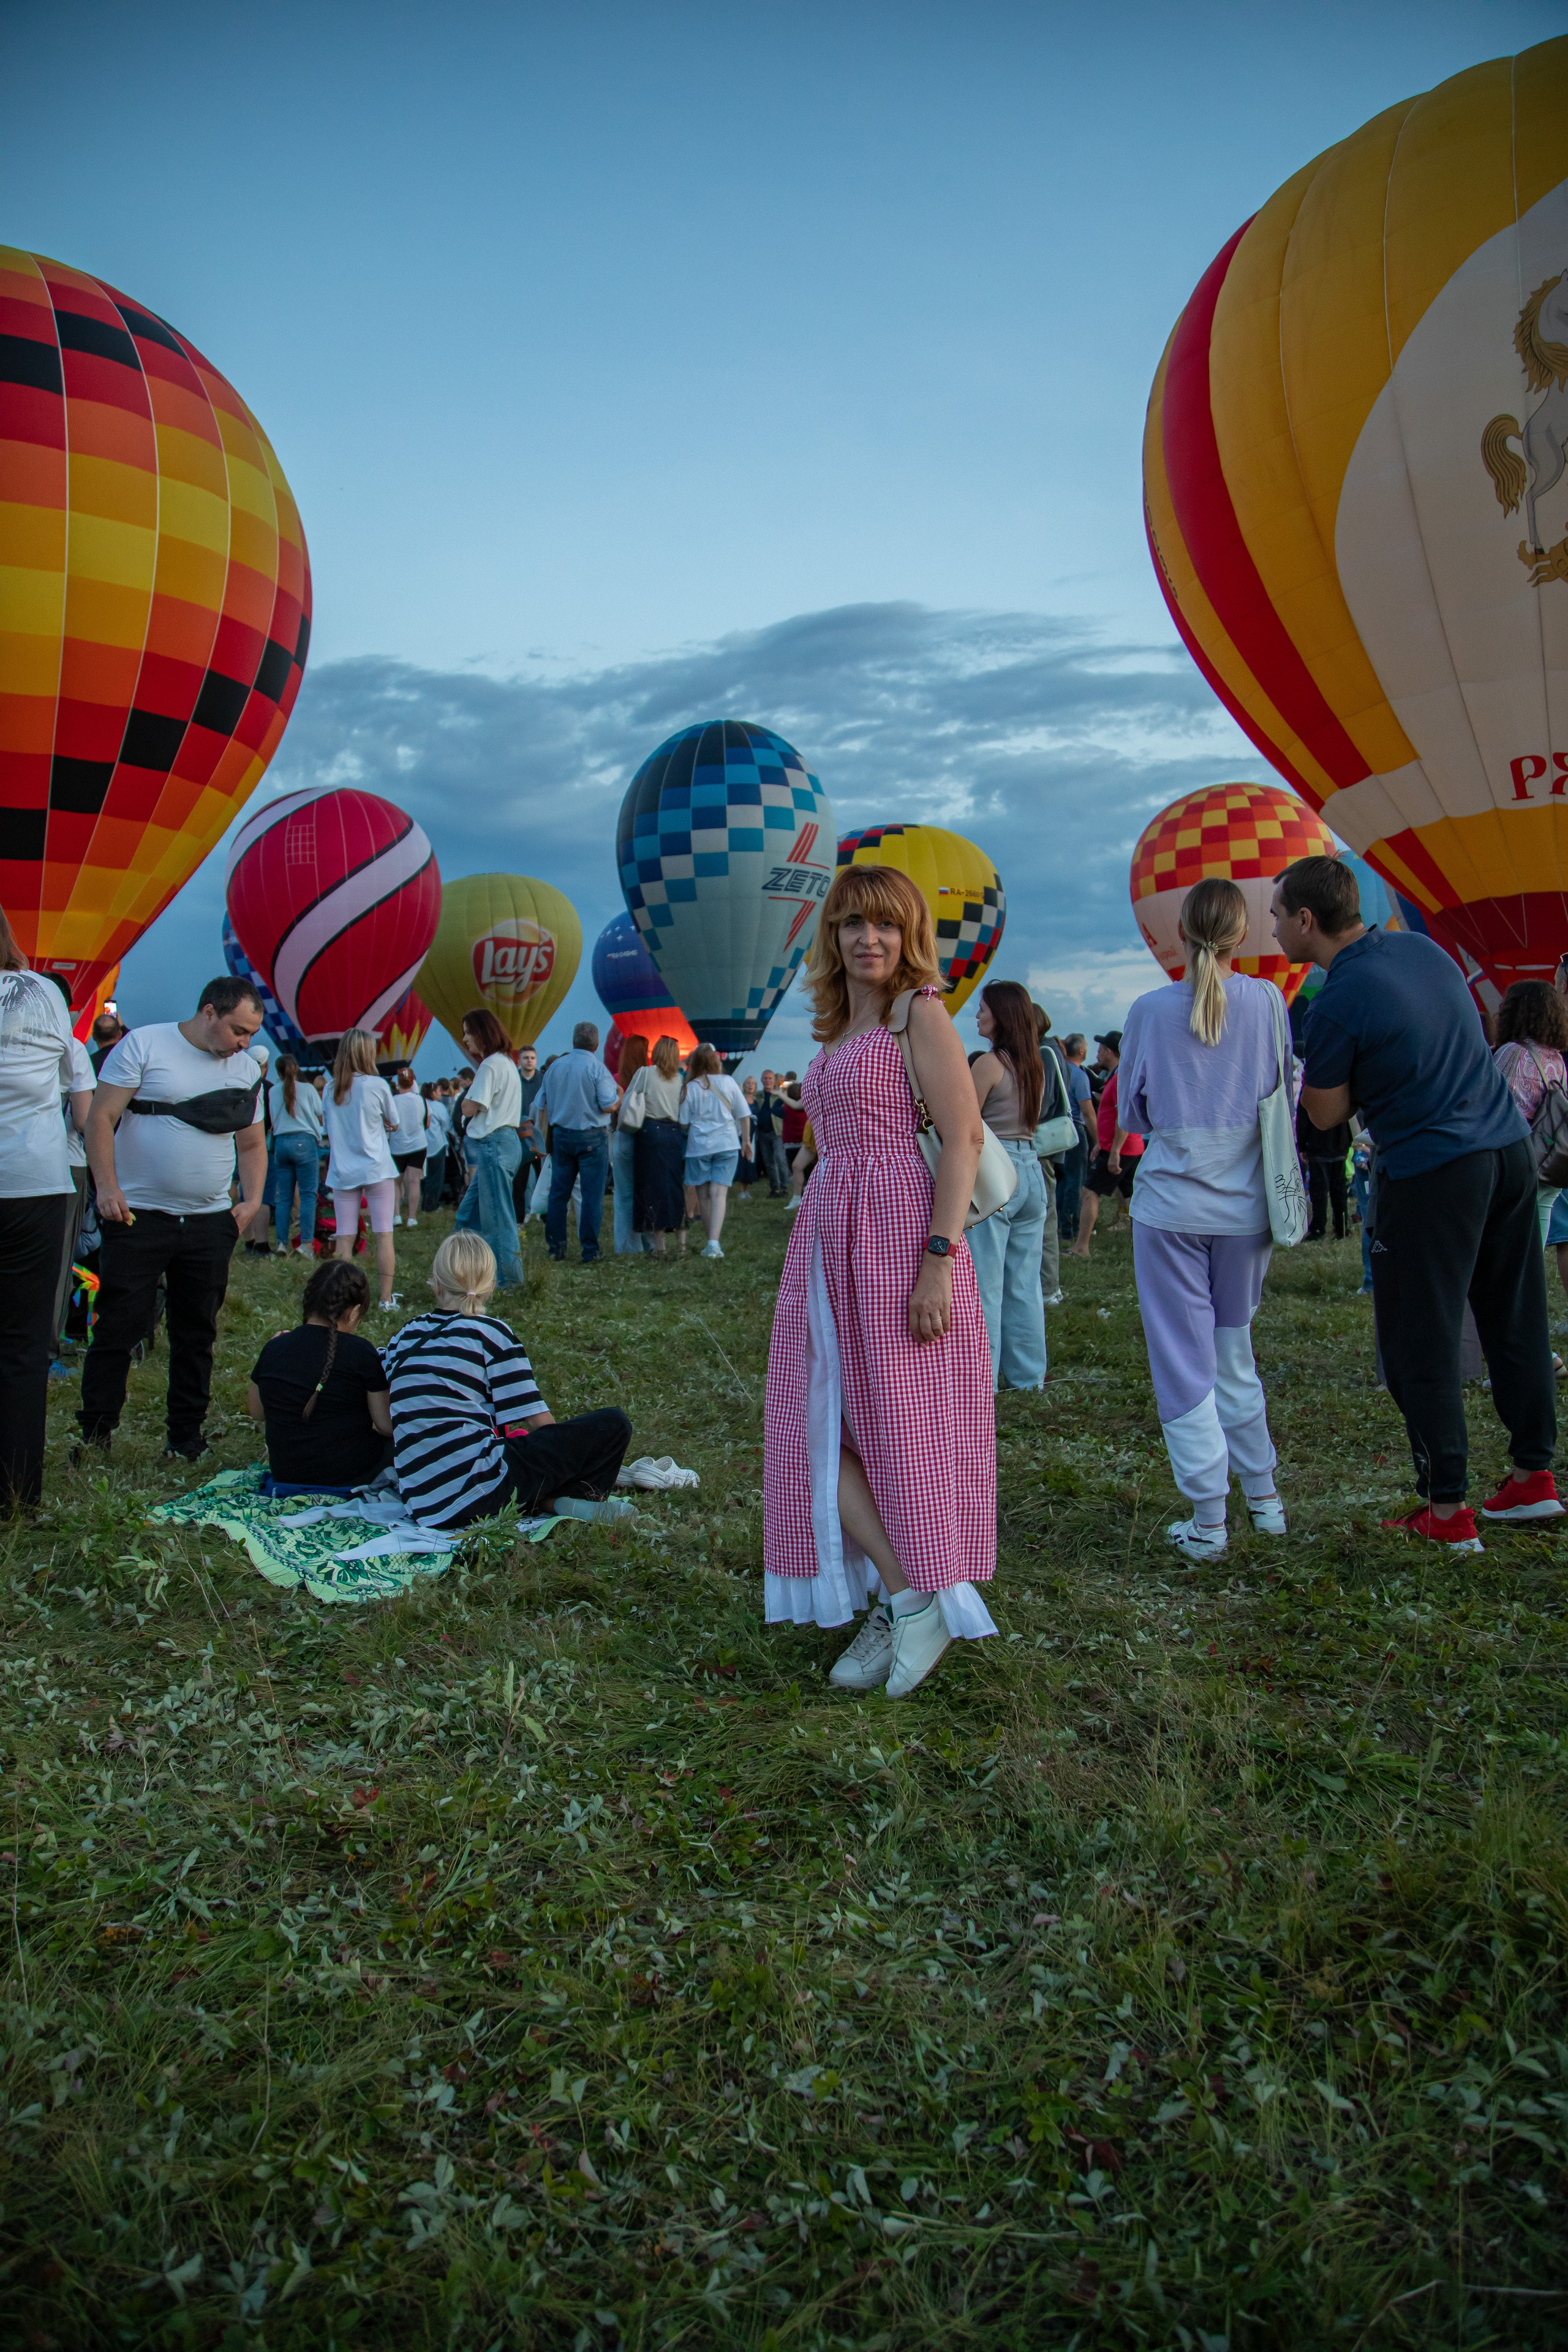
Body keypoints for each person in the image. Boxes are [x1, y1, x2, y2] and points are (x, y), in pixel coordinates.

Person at [1274, 854, 1559, 1543]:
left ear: (1307, 921)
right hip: (1507, 1152)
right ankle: (1532, 1479)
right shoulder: (1422, 950)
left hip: (1432, 1170)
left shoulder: (1337, 997)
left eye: (1279, 916)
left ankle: (1446, 1509)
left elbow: (1323, 1114)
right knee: (1514, 1319)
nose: (1275, 931)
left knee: (1417, 1340)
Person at [763, 864, 995, 1700]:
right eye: (855, 923)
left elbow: (964, 1137)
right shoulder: (839, 1028)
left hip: (900, 1243)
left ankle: (916, 1597)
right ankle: (906, 1596)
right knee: (818, 1430)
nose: (870, 939)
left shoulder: (917, 1012)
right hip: (832, 1246)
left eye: (887, 925)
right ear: (833, 933)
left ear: (910, 937)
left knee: (900, 1432)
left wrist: (937, 1262)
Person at [1118, 878, 1289, 1561]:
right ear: (1242, 935)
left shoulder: (1149, 1010)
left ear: (1180, 932)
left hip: (1170, 1209)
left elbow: (1130, 1113)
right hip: (1247, 1207)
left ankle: (1209, 1518)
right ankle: (1266, 1501)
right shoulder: (1269, 1001)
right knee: (1232, 1354)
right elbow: (1281, 1089)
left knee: (1182, 1364)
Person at [80, 975, 266, 1463]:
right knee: (119, 1326)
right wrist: (108, 1189)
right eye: (238, 1030)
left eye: (251, 1034)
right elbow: (101, 1118)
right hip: (137, 1217)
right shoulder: (144, 1045)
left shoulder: (246, 1069)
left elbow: (251, 1143)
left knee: (196, 1333)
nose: (244, 1043)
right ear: (209, 1013)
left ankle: (186, 1439)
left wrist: (251, 1201)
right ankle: (96, 1435)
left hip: (209, 1223)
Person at [382, 1232, 634, 1528]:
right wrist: (568, 1456)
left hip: (423, 1504)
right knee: (613, 1425)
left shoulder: (405, 1336)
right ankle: (561, 1499)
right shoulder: (490, 1334)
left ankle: (546, 1501)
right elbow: (539, 1422)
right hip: (479, 1488)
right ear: (490, 1286)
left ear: (436, 1282)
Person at [0, 914, 77, 1508]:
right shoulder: (47, 994)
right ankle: (19, 1491)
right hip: (36, 1185)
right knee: (26, 1344)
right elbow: (74, 1093)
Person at [246, 1257, 393, 1496]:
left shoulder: (275, 1347)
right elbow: (386, 1426)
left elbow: (256, 1412)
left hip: (287, 1473)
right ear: (355, 1312)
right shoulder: (361, 1352)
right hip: (349, 1475)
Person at [966, 979, 1049, 1390]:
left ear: (999, 1015)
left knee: (987, 1285)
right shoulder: (1034, 1064)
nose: (977, 1014)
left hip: (997, 1174)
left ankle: (983, 1383)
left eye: (983, 1008)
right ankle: (1029, 1377)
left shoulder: (988, 1064)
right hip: (1032, 1171)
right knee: (1024, 1283)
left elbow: (963, 1123)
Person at [38, 972, 95, 1370]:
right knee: (56, 1263)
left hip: (14, 1162)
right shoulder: (72, 1049)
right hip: (64, 1166)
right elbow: (83, 1119)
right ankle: (45, 1352)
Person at [322, 1028, 401, 1310]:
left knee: (344, 1236)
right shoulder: (377, 1086)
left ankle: (339, 1300)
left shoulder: (330, 1089)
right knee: (384, 1234)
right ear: (367, 1053)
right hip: (376, 1168)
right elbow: (395, 1121)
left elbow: (327, 1131)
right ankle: (385, 1298)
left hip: (343, 1171)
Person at [1492, 981, 1568, 1245]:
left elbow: (1495, 1109)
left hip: (1520, 1159)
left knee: (1508, 1247)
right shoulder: (1556, 1057)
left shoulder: (1513, 1052)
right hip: (1551, 1159)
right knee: (1535, 1244)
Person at [537, 1020, 618, 1264]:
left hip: (561, 1135)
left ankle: (556, 1248)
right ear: (597, 1044)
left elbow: (542, 1104)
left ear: (573, 1041)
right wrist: (619, 1099)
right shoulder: (598, 1069)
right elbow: (607, 1104)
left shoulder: (555, 1068)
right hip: (592, 1136)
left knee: (558, 1195)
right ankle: (590, 1251)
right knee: (592, 1196)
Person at [454, 1008, 523, 1285]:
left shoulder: (490, 1066)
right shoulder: (506, 1063)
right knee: (467, 1214)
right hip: (504, 1142)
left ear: (482, 1033)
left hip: (493, 1144)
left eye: (469, 1032)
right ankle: (455, 1273)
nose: (465, 1039)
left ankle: (507, 1280)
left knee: (497, 1218)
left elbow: (470, 1107)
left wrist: (464, 1100)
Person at [1070, 1031, 1143, 1257]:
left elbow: (1123, 1116)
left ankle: (1081, 1247)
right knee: (1130, 1194)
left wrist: (1114, 1152)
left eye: (1101, 1049)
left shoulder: (1120, 1078)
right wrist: (1100, 1143)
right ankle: (1140, 1243)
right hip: (1127, 1146)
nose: (1098, 1053)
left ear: (1111, 1052)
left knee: (1090, 1192)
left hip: (1121, 1147)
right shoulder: (1116, 1076)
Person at [680, 1045, 751, 1261]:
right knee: (719, 1194)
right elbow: (743, 1114)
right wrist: (746, 1140)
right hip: (727, 1143)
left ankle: (710, 1243)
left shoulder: (691, 1087)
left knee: (703, 1195)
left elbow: (683, 1121)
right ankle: (714, 1243)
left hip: (699, 1146)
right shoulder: (728, 1082)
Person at [627, 1034, 688, 1254]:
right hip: (674, 1134)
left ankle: (659, 1246)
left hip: (650, 1132)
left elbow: (630, 1098)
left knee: (652, 1188)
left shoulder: (645, 1073)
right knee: (673, 1187)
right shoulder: (680, 1079)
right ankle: (681, 1246)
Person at [268, 1054, 323, 1254]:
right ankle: (306, 1244)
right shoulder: (308, 1089)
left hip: (281, 1143)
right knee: (308, 1195)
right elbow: (320, 1112)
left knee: (284, 1198)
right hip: (304, 1142)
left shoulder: (273, 1091)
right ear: (297, 1068)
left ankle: (281, 1243)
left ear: (279, 1071)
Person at [611, 1034, 653, 1256]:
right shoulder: (649, 1078)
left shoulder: (617, 1078)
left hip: (623, 1136)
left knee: (623, 1194)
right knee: (646, 1193)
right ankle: (650, 1241)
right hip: (646, 1138)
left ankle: (626, 1245)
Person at [1056, 1032, 1094, 1248]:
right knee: (1075, 1182)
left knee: (1061, 1180)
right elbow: (1088, 1112)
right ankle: (1070, 1230)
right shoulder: (1079, 1076)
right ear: (1081, 1050)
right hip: (1074, 1130)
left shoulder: (1059, 1070)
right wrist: (1097, 1140)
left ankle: (1058, 1223)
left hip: (1056, 1131)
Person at [1297, 1090, 1351, 1241]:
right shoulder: (1340, 1086)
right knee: (1339, 1189)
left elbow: (1303, 1119)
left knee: (1320, 1191)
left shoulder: (1310, 1089)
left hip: (1318, 1145)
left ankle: (1319, 1229)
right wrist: (1348, 1141)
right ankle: (1342, 1228)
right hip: (1339, 1144)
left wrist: (1302, 1145)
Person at [390, 1068, 429, 1229]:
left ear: (398, 1083)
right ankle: (412, 1218)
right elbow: (427, 1123)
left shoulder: (393, 1100)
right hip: (418, 1144)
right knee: (414, 1182)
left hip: (398, 1146)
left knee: (395, 1182)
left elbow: (391, 1123)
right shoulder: (421, 1100)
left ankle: (397, 1215)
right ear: (414, 1082)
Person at [514, 1042, 544, 1218]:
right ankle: (519, 1217)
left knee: (544, 1177)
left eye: (532, 1058)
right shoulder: (514, 1080)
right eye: (526, 1058)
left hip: (539, 1134)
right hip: (519, 1136)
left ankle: (543, 1213)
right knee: (519, 1179)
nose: (529, 1061)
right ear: (519, 1060)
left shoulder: (543, 1080)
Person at [753, 1069, 791, 1196]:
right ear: (761, 1080)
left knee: (780, 1159)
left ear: (774, 1080)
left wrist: (783, 1082)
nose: (768, 1081)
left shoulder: (779, 1094)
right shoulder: (758, 1095)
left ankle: (785, 1187)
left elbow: (791, 1083)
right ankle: (775, 1188)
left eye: (770, 1078)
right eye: (765, 1078)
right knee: (769, 1162)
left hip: (778, 1132)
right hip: (763, 1133)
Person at [419, 1083, 451, 1213]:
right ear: (433, 1093)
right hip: (437, 1144)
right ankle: (432, 1205)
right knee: (436, 1177)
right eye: (438, 1091)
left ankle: (424, 1201)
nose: (440, 1094)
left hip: (421, 1144)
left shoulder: (420, 1104)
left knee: (423, 1177)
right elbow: (447, 1125)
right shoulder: (438, 1107)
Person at [88, 1006, 127, 1072]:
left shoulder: (89, 1064)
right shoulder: (130, 1058)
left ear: (94, 1036)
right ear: (120, 1035)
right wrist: (123, 1027)